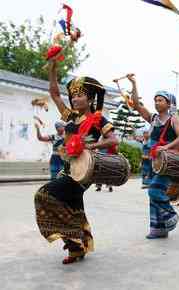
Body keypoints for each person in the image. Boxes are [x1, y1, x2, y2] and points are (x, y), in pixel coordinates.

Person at [34, 59, 119, 264]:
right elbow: (55, 94)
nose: (74, 98)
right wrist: (53, 69)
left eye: (80, 95)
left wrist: (90, 146)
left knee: (43, 195)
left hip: (84, 171)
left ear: (89, 99)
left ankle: (75, 240)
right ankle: (76, 248)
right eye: (73, 95)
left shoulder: (99, 119)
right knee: (74, 208)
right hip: (66, 166)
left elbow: (113, 139)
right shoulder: (70, 115)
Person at [129, 74, 179, 239]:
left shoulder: (174, 119)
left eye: (160, 100)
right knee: (155, 193)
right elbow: (137, 105)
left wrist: (165, 147)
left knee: (154, 190)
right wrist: (134, 84)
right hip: (156, 162)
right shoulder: (153, 119)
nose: (156, 102)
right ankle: (158, 229)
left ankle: (170, 216)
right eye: (155, 100)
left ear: (168, 104)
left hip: (168, 160)